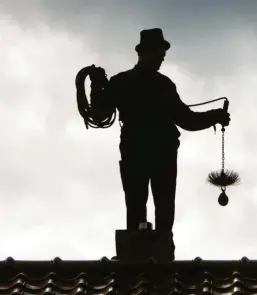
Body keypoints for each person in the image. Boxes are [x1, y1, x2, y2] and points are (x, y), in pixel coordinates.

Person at [89, 28, 230, 235]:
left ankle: (146, 252)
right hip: (156, 152)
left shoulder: (126, 82)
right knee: (155, 206)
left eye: (163, 55)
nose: (162, 58)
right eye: (159, 53)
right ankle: (154, 253)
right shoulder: (159, 85)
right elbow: (187, 120)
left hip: (141, 151)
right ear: (145, 52)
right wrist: (215, 117)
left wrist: (97, 88)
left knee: (143, 205)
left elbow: (98, 114)